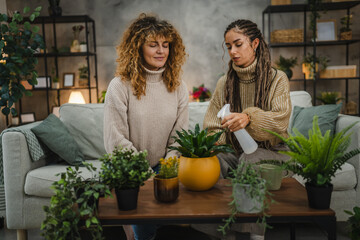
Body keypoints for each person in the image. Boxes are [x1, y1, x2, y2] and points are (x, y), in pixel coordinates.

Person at [193, 19, 292, 240]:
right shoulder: (224, 83)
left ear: (255, 43)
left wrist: (249, 118)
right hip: (235, 151)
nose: (232, 51)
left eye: (238, 44)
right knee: (209, 162)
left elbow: (280, 122)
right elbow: (211, 126)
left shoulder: (277, 79)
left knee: (252, 159)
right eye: (228, 46)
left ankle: (254, 236)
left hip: (275, 152)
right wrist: (216, 144)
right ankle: (220, 233)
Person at [103, 13, 188, 240]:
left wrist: (166, 167)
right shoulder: (119, 86)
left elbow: (179, 137)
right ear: (138, 47)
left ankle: (135, 233)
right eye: (153, 45)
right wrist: (144, 173)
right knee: (144, 201)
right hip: (128, 167)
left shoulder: (178, 86)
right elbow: (116, 139)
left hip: (164, 166)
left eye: (165, 45)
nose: (161, 51)